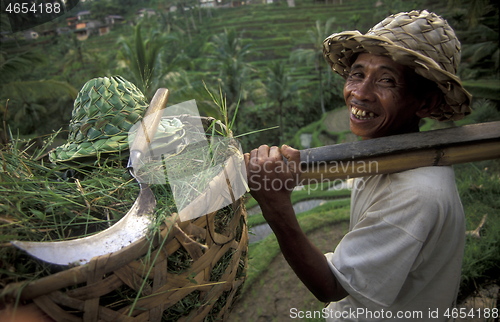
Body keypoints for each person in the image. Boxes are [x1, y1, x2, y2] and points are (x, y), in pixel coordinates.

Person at [244, 10, 472, 321]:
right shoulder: (388, 154)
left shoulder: (414, 193)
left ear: (427, 102)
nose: (360, 93)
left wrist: (274, 204)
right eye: (357, 73)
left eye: (387, 80)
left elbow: (331, 286)